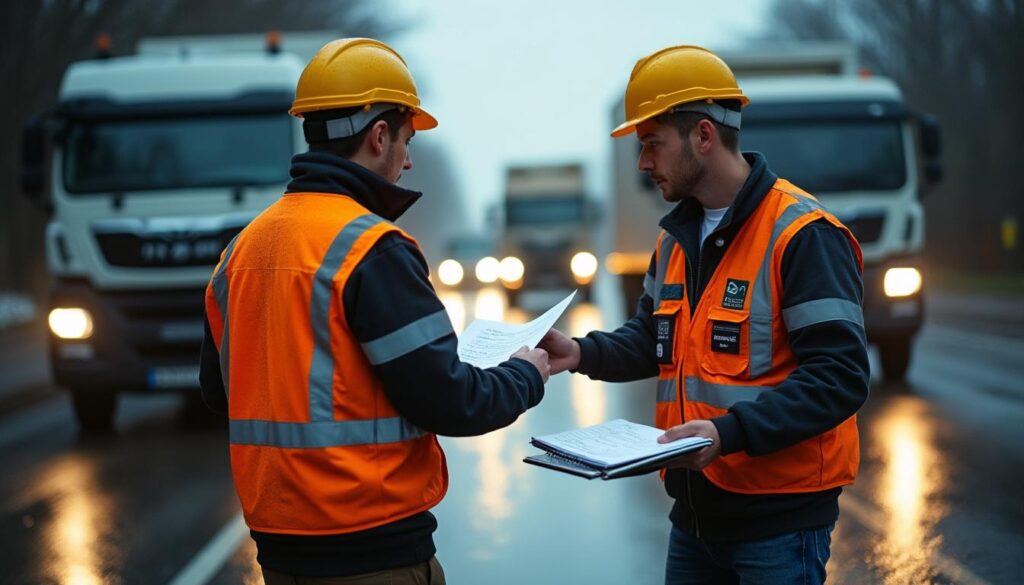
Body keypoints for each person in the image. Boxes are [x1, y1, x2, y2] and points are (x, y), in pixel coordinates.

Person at [199, 38, 550, 585]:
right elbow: (453, 401)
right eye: (407, 140)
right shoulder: (372, 249)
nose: (409, 160)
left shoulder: (240, 251)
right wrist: (528, 373)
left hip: (278, 551)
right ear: (379, 135)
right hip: (374, 552)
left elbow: (221, 391)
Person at [539, 45, 869, 584]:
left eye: (652, 145)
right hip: (694, 518)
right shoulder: (675, 239)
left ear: (703, 136)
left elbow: (840, 378)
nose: (643, 164)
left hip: (778, 524)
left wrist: (727, 434)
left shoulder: (803, 235)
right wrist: (581, 352)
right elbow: (655, 336)